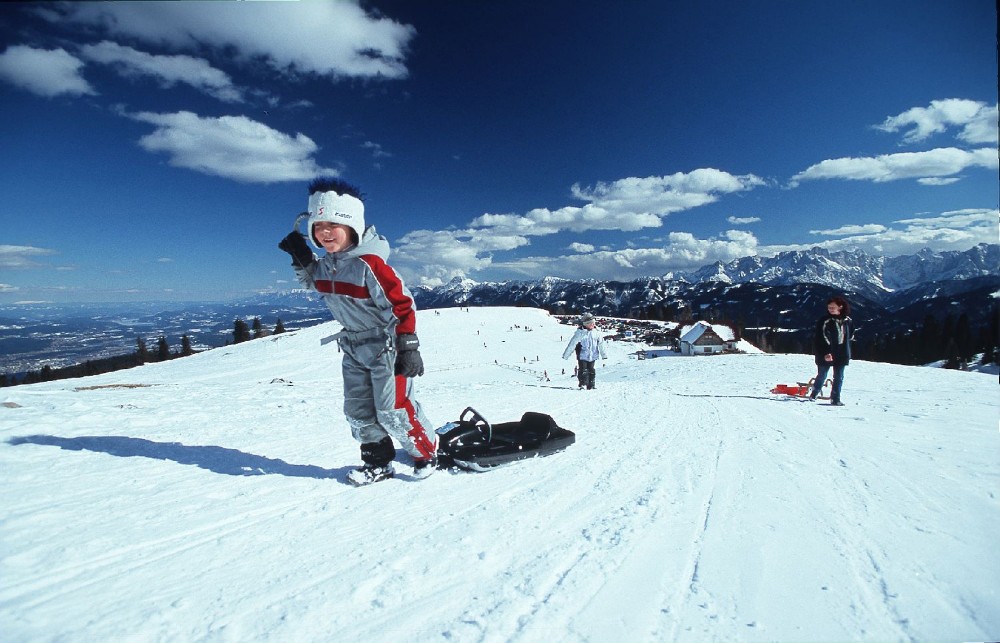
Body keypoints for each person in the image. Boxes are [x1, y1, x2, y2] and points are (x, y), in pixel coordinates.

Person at [278, 178, 436, 485]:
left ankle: (426, 452)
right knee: (358, 409)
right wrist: (300, 257)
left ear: (352, 226)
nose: (324, 232)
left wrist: (408, 345)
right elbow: (314, 282)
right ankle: (379, 462)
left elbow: (401, 303)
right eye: (318, 226)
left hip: (386, 347)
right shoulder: (327, 265)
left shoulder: (369, 264)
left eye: (333, 225)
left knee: (391, 409)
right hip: (353, 346)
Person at [809, 296, 853, 406]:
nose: (830, 309)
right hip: (826, 353)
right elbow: (820, 337)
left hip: (842, 352)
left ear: (840, 307)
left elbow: (851, 334)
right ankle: (814, 393)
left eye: (833, 307)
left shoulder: (848, 320)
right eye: (829, 307)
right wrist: (826, 352)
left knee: (839, 377)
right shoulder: (825, 320)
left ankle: (835, 398)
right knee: (822, 374)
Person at [562, 312, 607, 389]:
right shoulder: (580, 333)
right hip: (582, 355)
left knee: (591, 370)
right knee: (583, 370)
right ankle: (583, 384)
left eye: (593, 323)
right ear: (586, 324)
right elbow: (572, 344)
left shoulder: (596, 333)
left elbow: (601, 344)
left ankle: (591, 385)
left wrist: (604, 355)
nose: (593, 324)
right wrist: (566, 355)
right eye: (591, 323)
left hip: (593, 355)